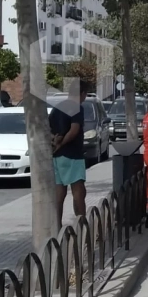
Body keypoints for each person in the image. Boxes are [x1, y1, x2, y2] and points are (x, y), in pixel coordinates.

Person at [49, 80, 88, 229]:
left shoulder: (58, 107)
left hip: (57, 156)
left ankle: (56, 226)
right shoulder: (77, 107)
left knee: (59, 193)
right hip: (73, 155)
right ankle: (82, 226)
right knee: (79, 191)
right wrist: (62, 142)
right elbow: (74, 130)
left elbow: (49, 128)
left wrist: (55, 143)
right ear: (82, 93)